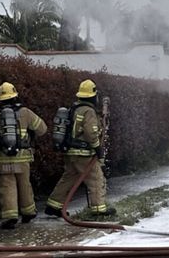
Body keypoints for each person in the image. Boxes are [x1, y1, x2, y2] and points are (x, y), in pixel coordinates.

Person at [45, 79, 116, 217]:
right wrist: (97, 148)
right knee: (96, 178)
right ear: (93, 96)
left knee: (69, 178)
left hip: (71, 152)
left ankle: (53, 205)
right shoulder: (89, 111)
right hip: (83, 153)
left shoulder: (74, 108)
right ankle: (98, 209)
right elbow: (90, 132)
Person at [0, 82, 48, 229]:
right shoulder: (25, 112)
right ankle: (28, 212)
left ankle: (10, 216)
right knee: (24, 184)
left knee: (7, 186)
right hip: (23, 157)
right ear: (15, 95)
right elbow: (42, 129)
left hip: (2, 158)